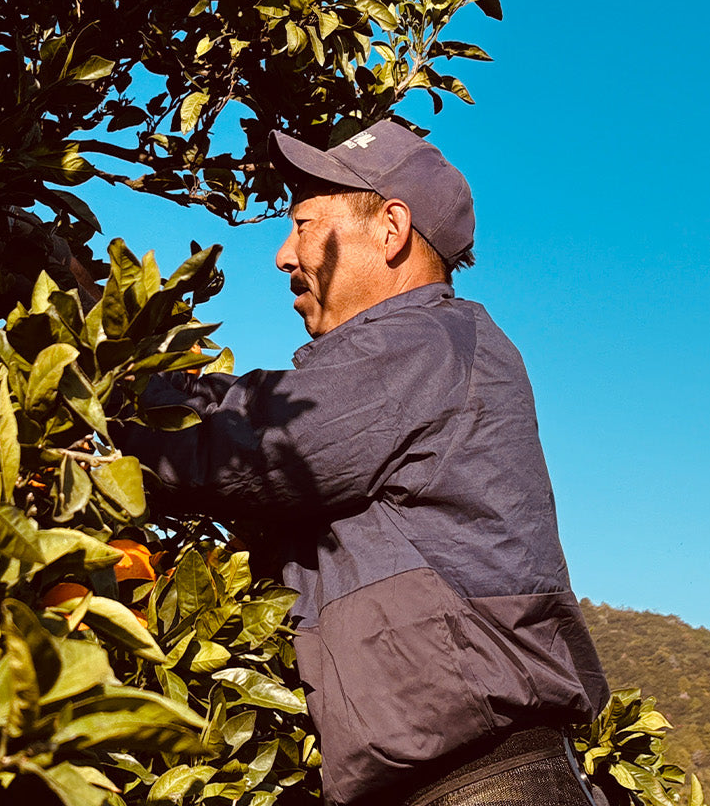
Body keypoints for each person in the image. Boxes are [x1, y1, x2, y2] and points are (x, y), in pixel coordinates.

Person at [114, 120, 610, 806]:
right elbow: (249, 418)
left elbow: (249, 447)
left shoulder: (427, 341)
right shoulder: (410, 360)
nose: (284, 255)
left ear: (391, 229)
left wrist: (94, 379)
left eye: (304, 224)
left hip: (483, 786)